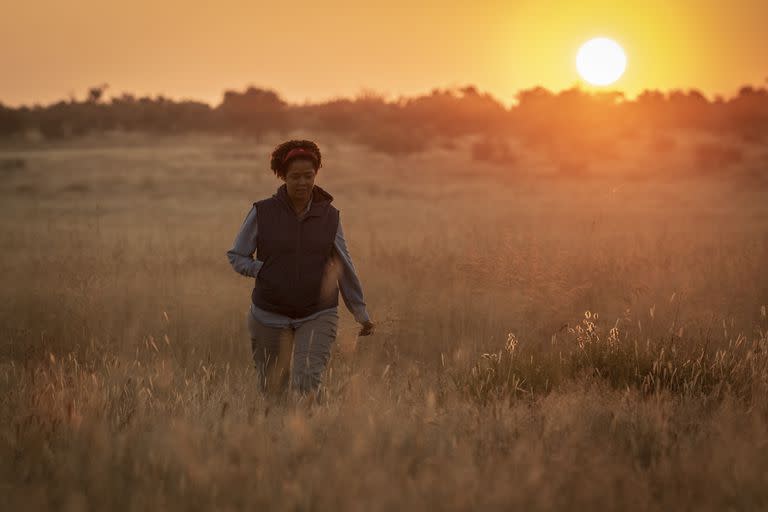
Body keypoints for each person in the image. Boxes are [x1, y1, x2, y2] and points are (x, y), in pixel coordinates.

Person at [226, 139, 375, 401]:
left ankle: (309, 437)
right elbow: (237, 255)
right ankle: (278, 439)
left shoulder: (330, 216)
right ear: (283, 176)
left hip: (318, 312)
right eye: (295, 177)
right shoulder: (263, 211)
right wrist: (262, 270)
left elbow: (344, 264)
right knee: (273, 392)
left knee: (306, 384)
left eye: (309, 176)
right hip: (267, 314)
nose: (303, 183)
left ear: (316, 175)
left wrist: (360, 312)